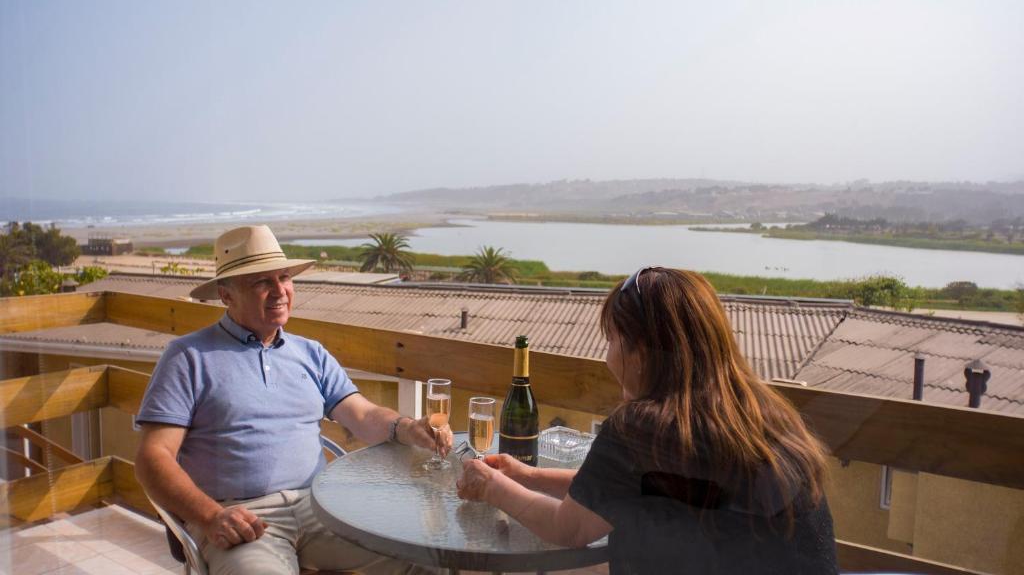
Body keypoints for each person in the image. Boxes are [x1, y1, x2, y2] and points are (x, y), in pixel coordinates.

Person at [457, 267, 838, 574]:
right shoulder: (759, 413)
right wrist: (528, 476)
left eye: (611, 340)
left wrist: (489, 484)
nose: (608, 357)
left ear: (640, 351)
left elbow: (569, 528)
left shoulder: (644, 427)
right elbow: (651, 485)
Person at [135, 225, 450, 575]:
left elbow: (362, 414)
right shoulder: (187, 357)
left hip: (321, 507)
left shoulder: (310, 353)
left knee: (424, 558)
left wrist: (409, 427)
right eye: (261, 282)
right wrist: (210, 516)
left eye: (284, 277)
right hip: (240, 519)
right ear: (226, 296)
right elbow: (153, 458)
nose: (279, 291)